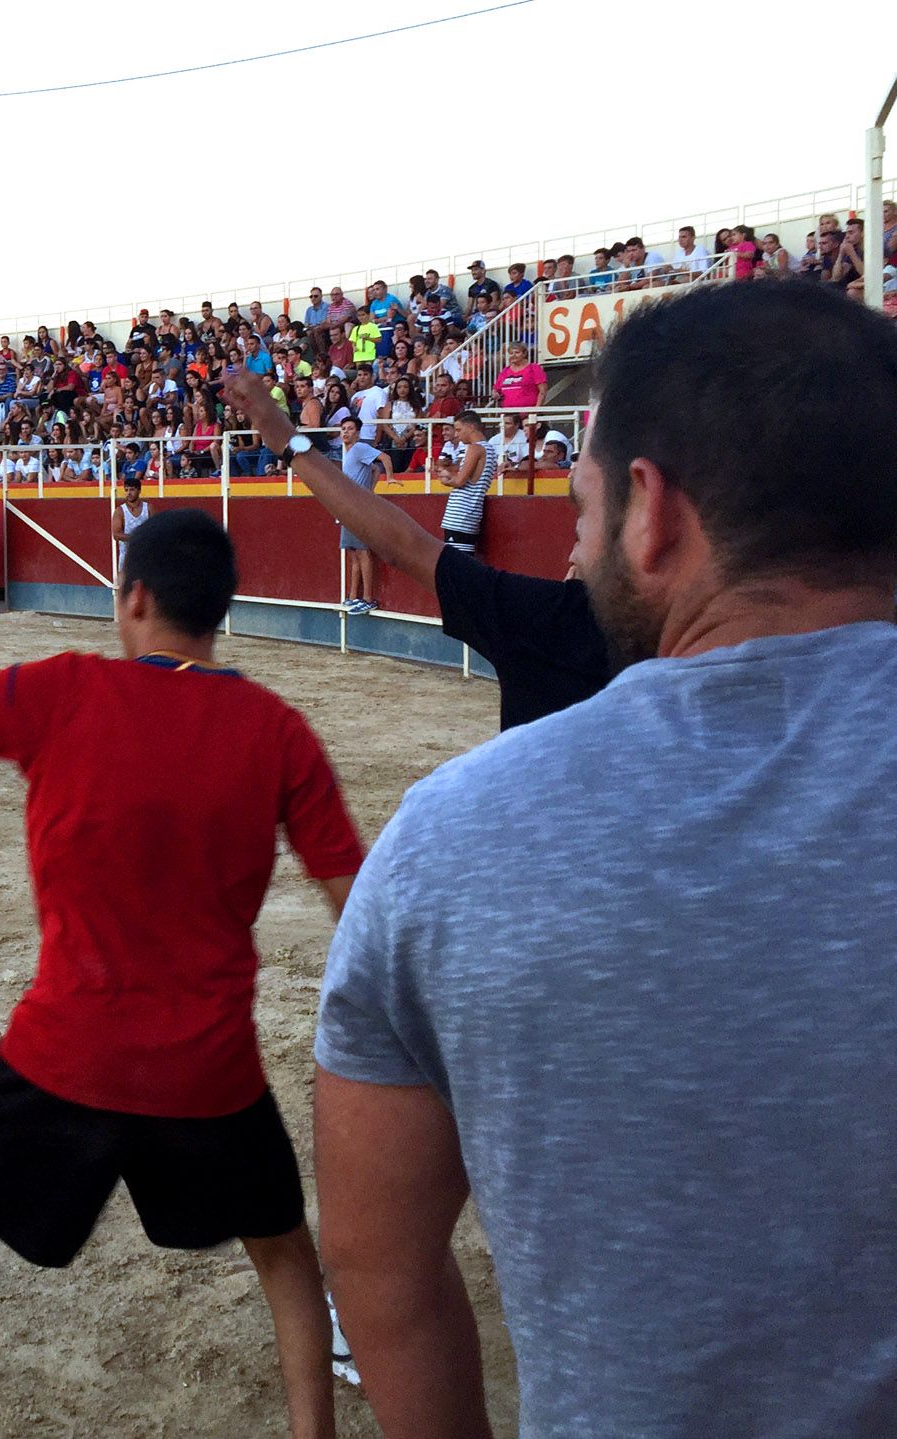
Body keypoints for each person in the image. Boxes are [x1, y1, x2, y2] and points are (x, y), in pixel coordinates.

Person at [315, 279, 897, 1439]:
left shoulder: (452, 840)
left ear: (650, 511)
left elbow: (376, 1265)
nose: (579, 546)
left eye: (582, 508)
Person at [0, 496, 364, 1439]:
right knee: (288, 1262)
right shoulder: (277, 730)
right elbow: (357, 907)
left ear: (132, 598)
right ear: (223, 610)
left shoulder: (64, 691)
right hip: (208, 1074)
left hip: (62, 1056)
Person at [223, 372, 610, 730]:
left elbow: (403, 545)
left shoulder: (558, 623)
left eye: (580, 526)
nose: (571, 557)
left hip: (462, 519)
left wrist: (288, 442)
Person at [334, 417, 390, 615]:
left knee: (362, 552)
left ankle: (366, 598)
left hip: (357, 509)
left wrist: (390, 479)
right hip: (349, 507)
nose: (346, 432)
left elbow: (384, 458)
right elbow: (375, 468)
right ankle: (352, 597)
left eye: (350, 429)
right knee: (353, 553)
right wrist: (369, 490)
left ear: (357, 432)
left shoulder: (358, 448)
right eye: (343, 429)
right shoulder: (350, 452)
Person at [434, 411, 497, 553]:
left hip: (460, 514)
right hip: (471, 512)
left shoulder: (475, 448)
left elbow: (460, 481)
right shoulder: (490, 449)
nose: (456, 434)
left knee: (456, 564)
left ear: (471, 427)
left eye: (458, 429)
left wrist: (446, 478)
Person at [109, 474, 149, 574]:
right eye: (126, 490)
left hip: (146, 556)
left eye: (132, 490)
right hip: (127, 557)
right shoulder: (120, 511)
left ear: (139, 491)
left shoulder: (148, 508)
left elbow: (157, 530)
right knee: (123, 586)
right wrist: (137, 537)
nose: (128, 493)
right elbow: (116, 534)